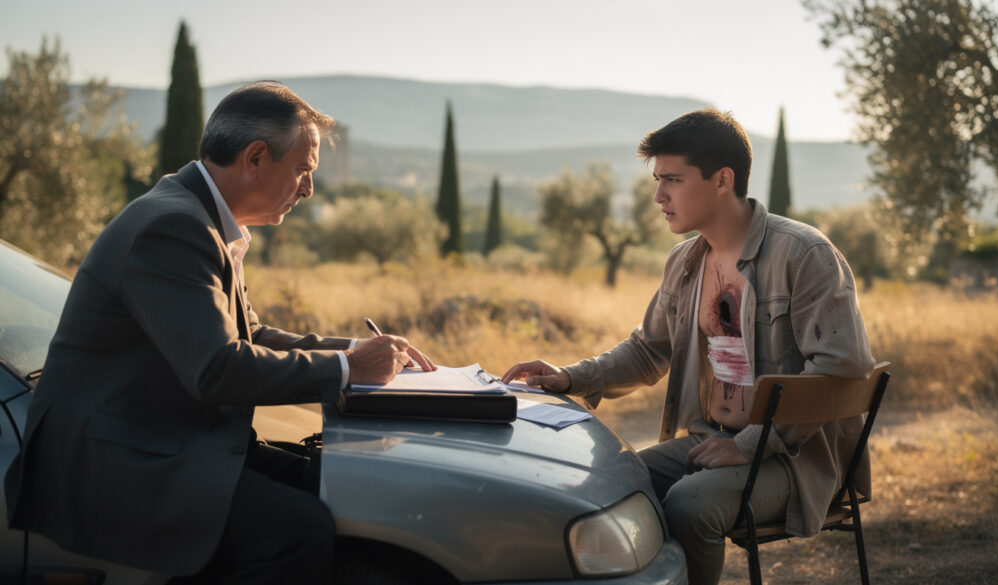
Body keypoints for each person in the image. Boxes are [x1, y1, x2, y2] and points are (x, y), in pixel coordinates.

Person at [4, 81, 436, 584]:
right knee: (296, 531)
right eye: (303, 170)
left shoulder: (200, 216)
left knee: (334, 483)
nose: (308, 188)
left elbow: (248, 336)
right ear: (255, 158)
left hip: (163, 435)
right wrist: (348, 370)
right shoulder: (174, 226)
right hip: (114, 460)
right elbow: (218, 368)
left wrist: (355, 350)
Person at [503, 108, 874, 585]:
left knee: (689, 503)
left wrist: (749, 443)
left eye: (673, 180)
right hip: (711, 439)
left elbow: (841, 373)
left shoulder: (804, 254)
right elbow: (649, 350)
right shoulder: (684, 261)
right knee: (612, 484)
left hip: (796, 457)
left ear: (723, 180)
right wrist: (573, 376)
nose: (658, 196)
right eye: (657, 180)